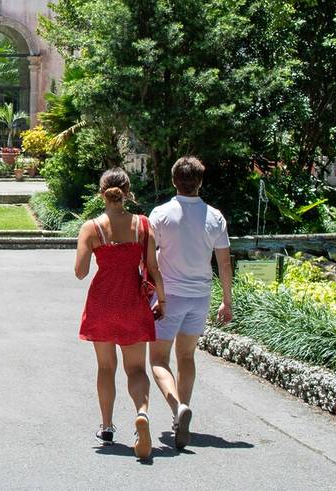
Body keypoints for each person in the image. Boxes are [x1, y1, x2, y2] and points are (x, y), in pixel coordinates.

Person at [75, 168, 166, 459]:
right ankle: (142, 414)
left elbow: (80, 272)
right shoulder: (143, 225)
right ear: (126, 192)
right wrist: (161, 300)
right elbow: (154, 268)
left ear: (102, 193)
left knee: (106, 368)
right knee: (136, 369)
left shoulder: (92, 227)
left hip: (102, 304)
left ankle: (106, 426)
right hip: (133, 304)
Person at [147, 156, 233, 450]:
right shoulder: (215, 217)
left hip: (168, 297)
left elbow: (147, 259)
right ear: (200, 182)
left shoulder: (160, 214)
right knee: (187, 357)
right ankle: (183, 407)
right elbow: (224, 263)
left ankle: (176, 409)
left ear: (174, 181)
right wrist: (227, 302)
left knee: (158, 359)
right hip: (200, 297)